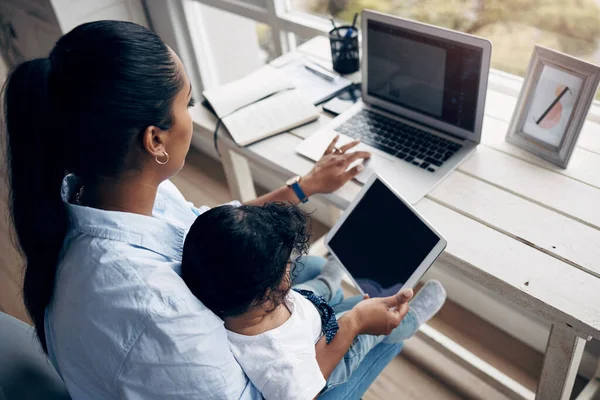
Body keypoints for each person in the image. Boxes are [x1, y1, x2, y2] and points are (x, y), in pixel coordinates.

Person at [2, 20, 428, 399]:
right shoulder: (156, 311)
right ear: (155, 140)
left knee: (312, 276)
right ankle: (376, 314)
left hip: (217, 321)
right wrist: (353, 327)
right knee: (370, 324)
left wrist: (305, 185)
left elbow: (222, 226)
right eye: (186, 104)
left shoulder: (103, 191)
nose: (191, 116)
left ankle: (327, 293)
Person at [181, 202, 446, 399]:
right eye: (287, 265)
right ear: (273, 291)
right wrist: (356, 322)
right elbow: (311, 383)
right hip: (325, 357)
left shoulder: (230, 296)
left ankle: (329, 284)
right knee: (364, 323)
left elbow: (291, 297)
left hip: (304, 315)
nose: (291, 267)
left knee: (312, 294)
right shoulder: (279, 366)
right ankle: (409, 320)